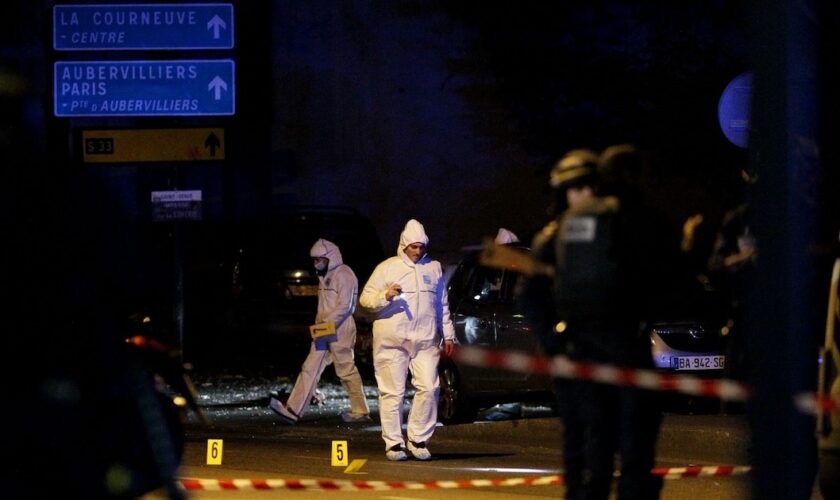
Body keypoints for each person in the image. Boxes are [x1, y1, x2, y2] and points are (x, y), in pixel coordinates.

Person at [518, 148, 602, 500]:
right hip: (575, 355)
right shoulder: (553, 240)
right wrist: (555, 341)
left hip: (615, 354)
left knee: (623, 441)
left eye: (589, 187)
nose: (584, 195)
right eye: (577, 188)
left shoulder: (613, 231)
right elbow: (531, 298)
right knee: (582, 438)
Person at [359, 219, 456, 461]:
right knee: (393, 392)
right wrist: (386, 295)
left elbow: (442, 304)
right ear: (404, 245)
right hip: (393, 339)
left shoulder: (433, 268)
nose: (417, 251)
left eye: (421, 247)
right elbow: (365, 299)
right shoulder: (387, 268)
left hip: (425, 339)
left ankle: (418, 438)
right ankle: (393, 443)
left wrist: (448, 334)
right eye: (413, 246)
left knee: (430, 387)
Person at [269, 239, 371, 424]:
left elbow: (346, 307)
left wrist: (324, 323)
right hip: (325, 329)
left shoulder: (344, 274)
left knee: (345, 370)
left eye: (319, 259)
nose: (316, 263)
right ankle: (293, 409)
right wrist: (320, 325)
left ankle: (360, 410)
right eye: (314, 260)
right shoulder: (324, 276)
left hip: (340, 330)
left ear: (330, 257)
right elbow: (324, 306)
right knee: (310, 367)